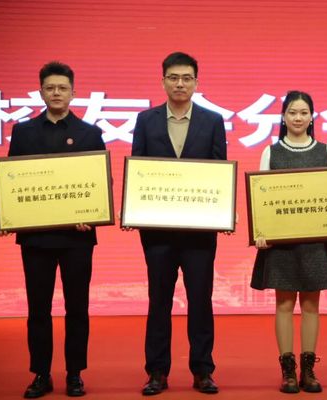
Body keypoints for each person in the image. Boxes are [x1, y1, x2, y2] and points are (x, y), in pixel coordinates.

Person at [5, 61, 105, 398]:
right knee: (38, 309)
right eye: (50, 88)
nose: (56, 93)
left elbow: (98, 184)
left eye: (63, 88)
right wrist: (8, 216)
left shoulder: (90, 133)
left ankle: (74, 374)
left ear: (73, 93)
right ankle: (41, 373)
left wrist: (93, 214)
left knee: (77, 308)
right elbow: (12, 181)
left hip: (77, 237)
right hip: (36, 238)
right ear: (41, 92)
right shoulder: (23, 132)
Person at [250, 90, 327, 394]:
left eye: (303, 113)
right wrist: (260, 232)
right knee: (284, 304)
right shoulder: (271, 151)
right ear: (283, 117)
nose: (298, 118)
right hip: (281, 244)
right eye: (292, 112)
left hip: (315, 243)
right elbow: (261, 198)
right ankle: (287, 371)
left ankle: (308, 370)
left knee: (311, 304)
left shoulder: (325, 150)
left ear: (312, 117)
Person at [131, 52, 226, 396]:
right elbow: (138, 168)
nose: (180, 83)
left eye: (187, 78)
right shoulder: (146, 120)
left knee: (200, 300)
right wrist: (132, 210)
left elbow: (219, 171)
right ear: (163, 82)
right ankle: (157, 371)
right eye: (173, 77)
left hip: (199, 232)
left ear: (196, 82)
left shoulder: (212, 121)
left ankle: (203, 370)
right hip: (157, 232)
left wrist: (223, 211)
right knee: (159, 301)